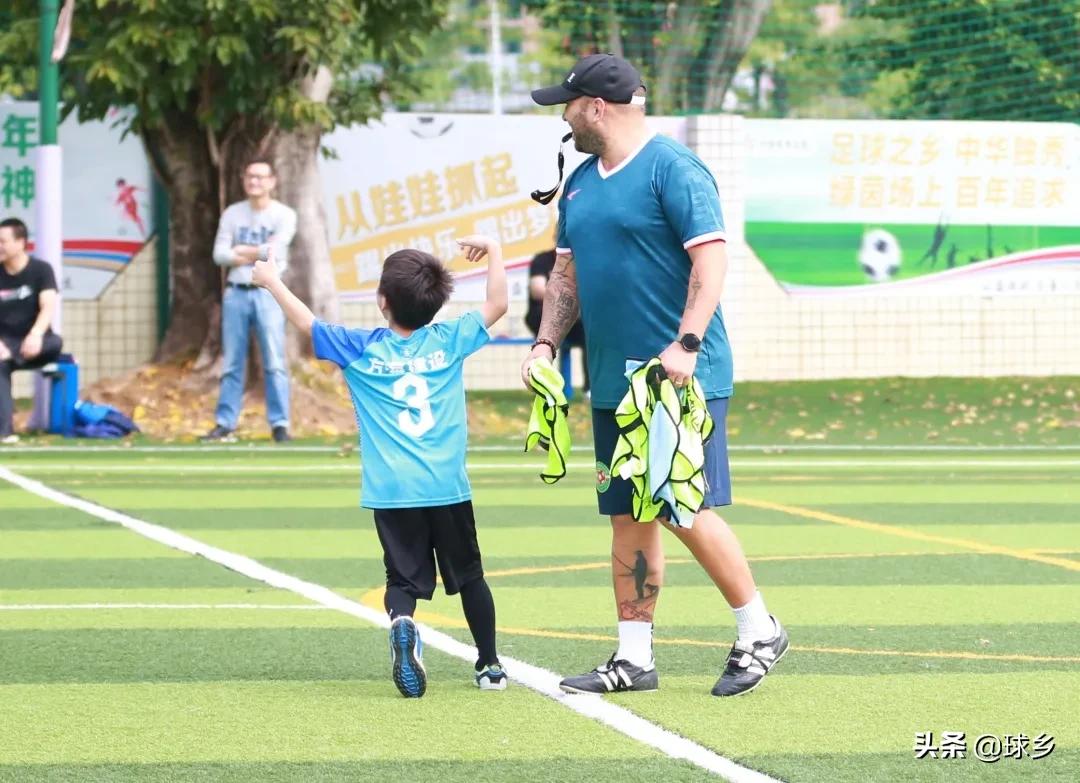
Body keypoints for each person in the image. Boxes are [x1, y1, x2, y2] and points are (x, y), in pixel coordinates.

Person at [523, 54, 788, 697]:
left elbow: (712, 262)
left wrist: (687, 343)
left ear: (596, 107)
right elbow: (567, 273)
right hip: (613, 383)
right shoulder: (582, 182)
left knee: (678, 504)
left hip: (677, 376)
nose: (562, 115)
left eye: (567, 104)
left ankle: (759, 629)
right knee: (627, 516)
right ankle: (633, 659)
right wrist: (545, 343)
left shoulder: (673, 168)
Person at [252, 234, 510, 698]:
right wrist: (492, 249)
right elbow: (497, 303)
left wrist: (272, 281)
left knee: (401, 580)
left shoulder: (361, 349)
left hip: (391, 490)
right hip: (447, 486)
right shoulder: (448, 340)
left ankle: (404, 621)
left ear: (382, 302)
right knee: (470, 576)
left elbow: (307, 324)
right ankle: (490, 665)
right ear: (434, 303)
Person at [203, 158, 297, 443]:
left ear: (272, 181)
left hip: (268, 293)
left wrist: (242, 250)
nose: (254, 182)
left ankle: (280, 424)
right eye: (249, 176)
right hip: (236, 292)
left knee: (274, 361)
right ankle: (225, 422)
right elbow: (219, 254)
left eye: (260, 177)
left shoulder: (284, 214)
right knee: (232, 361)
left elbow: (277, 251)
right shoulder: (233, 213)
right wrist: (258, 251)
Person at [0, 218, 63, 445]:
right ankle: (4, 432)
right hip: (4, 344)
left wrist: (36, 334)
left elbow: (48, 306)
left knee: (56, 343)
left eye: (2, 241)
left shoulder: (41, 270)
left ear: (21, 243)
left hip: (36, 342)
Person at [525, 247, 589, 394]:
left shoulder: (584, 259)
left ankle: (589, 388)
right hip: (542, 318)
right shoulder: (543, 260)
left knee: (591, 333)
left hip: (577, 320)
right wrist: (563, 291)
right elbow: (537, 289)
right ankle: (542, 383)